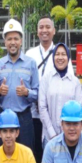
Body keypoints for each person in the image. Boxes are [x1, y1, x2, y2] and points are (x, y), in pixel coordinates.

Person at [0, 19, 41, 160]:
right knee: (4, 158)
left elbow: (37, 94)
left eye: (15, 38)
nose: (12, 42)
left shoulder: (31, 63)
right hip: (4, 118)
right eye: (9, 39)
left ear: (21, 41)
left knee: (26, 157)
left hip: (24, 118)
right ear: (5, 42)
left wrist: (27, 93)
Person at [23, 16, 59, 155]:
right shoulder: (30, 54)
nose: (44, 30)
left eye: (48, 27)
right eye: (41, 27)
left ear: (54, 30)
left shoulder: (60, 53)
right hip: (33, 115)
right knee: (34, 153)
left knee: (52, 155)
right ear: (37, 31)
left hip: (52, 116)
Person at [36, 44, 82, 149]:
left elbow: (79, 109)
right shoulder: (46, 79)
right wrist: (52, 133)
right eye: (57, 54)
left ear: (68, 58)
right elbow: (42, 108)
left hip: (70, 138)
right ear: (53, 57)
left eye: (63, 54)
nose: (60, 57)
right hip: (49, 138)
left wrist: (69, 133)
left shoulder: (75, 82)